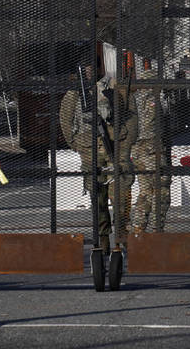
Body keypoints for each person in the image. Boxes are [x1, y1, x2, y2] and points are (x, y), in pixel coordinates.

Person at [60, 61, 136, 249]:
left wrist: (125, 144)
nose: (88, 71)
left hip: (115, 147)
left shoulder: (113, 85)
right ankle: (102, 237)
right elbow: (66, 120)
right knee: (97, 196)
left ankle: (120, 233)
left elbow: (132, 118)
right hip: (89, 149)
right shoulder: (75, 93)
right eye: (84, 68)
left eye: (91, 67)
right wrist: (77, 144)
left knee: (120, 193)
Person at [130, 62, 171, 233]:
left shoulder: (134, 99)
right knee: (161, 189)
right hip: (152, 148)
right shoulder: (152, 99)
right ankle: (156, 227)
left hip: (137, 151)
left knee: (146, 191)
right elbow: (154, 122)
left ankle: (139, 226)